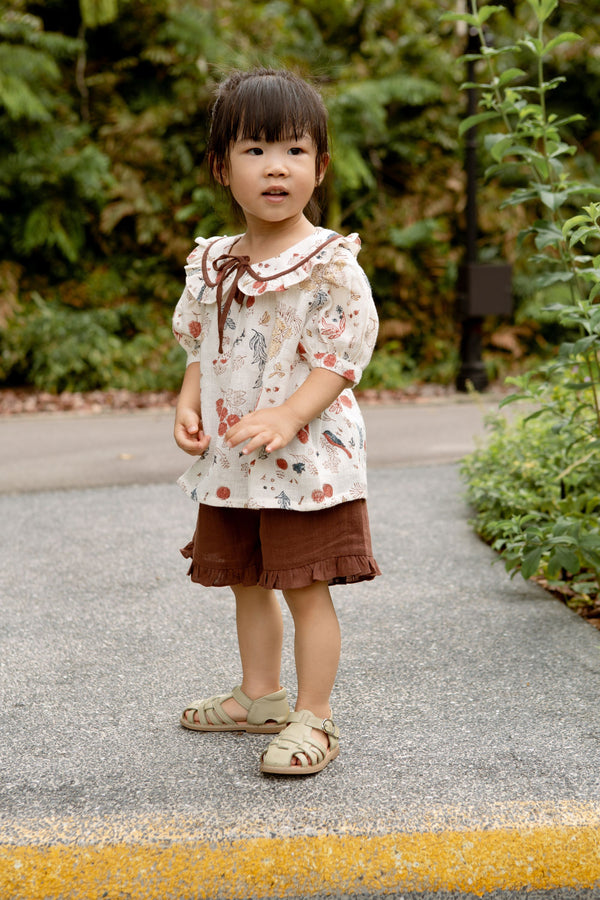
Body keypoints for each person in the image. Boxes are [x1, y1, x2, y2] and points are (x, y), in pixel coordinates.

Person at [172, 68, 380, 776]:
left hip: (304, 461)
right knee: (247, 580)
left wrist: (290, 413)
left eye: (294, 150)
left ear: (320, 167)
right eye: (255, 150)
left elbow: (341, 358)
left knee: (304, 584)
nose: (276, 168)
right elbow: (204, 340)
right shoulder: (213, 263)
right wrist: (188, 400)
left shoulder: (328, 266)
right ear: (220, 166)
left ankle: (315, 718)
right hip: (235, 460)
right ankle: (258, 697)